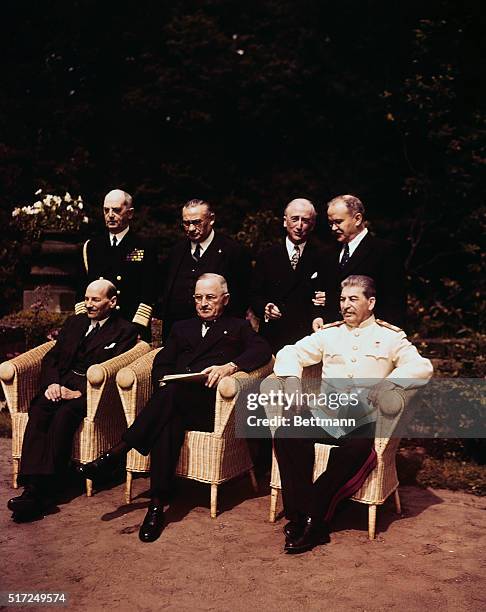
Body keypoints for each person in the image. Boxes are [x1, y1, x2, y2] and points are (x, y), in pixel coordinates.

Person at [78, 273, 272, 543]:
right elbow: (161, 364)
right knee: (168, 420)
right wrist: (168, 380)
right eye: (198, 297)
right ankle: (156, 506)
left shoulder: (238, 327)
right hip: (175, 404)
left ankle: (117, 453)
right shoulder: (182, 328)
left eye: (210, 297)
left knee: (171, 400)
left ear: (225, 300)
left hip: (212, 409)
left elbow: (263, 352)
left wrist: (230, 367)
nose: (203, 303)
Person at [273, 274, 433, 554]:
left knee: (356, 449)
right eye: (342, 299)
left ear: (371, 302)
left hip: (363, 418)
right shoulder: (330, 333)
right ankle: (302, 517)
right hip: (326, 413)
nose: (345, 305)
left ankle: (311, 519)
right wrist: (293, 381)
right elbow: (290, 352)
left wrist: (389, 383)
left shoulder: (389, 337)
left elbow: (422, 367)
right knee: (287, 431)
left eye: (353, 299)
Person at [7, 280, 138, 522]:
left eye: (95, 300)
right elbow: (52, 357)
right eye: (87, 299)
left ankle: (44, 491)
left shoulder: (124, 331)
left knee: (64, 416)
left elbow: (114, 371)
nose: (89, 305)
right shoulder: (74, 323)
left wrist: (80, 394)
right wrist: (52, 384)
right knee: (39, 410)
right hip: (61, 383)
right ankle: (33, 488)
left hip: (92, 393)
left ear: (113, 302)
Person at [159, 199, 251, 341]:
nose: (190, 228)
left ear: (211, 219)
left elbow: (242, 297)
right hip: (177, 333)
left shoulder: (233, 251)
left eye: (196, 222)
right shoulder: (176, 251)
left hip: (218, 336)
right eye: (186, 223)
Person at [313, 194, 406, 331]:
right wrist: (318, 316)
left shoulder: (385, 251)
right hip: (333, 336)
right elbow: (319, 294)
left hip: (370, 336)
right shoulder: (327, 253)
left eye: (338, 222)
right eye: (331, 223)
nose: (333, 228)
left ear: (357, 219)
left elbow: (394, 302)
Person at [75, 189, 158, 340]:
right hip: (97, 327)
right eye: (106, 210)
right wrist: (82, 324)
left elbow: (149, 291)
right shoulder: (92, 247)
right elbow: (81, 289)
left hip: (130, 327)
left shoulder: (143, 246)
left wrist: (138, 326)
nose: (110, 215)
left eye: (117, 210)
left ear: (130, 213)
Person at [250, 198, 326, 353]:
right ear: (285, 222)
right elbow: (254, 295)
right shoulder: (267, 256)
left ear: (312, 225)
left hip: (307, 337)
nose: (299, 226)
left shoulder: (323, 256)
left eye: (305, 221)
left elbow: (326, 295)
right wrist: (265, 308)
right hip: (273, 336)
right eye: (294, 219)